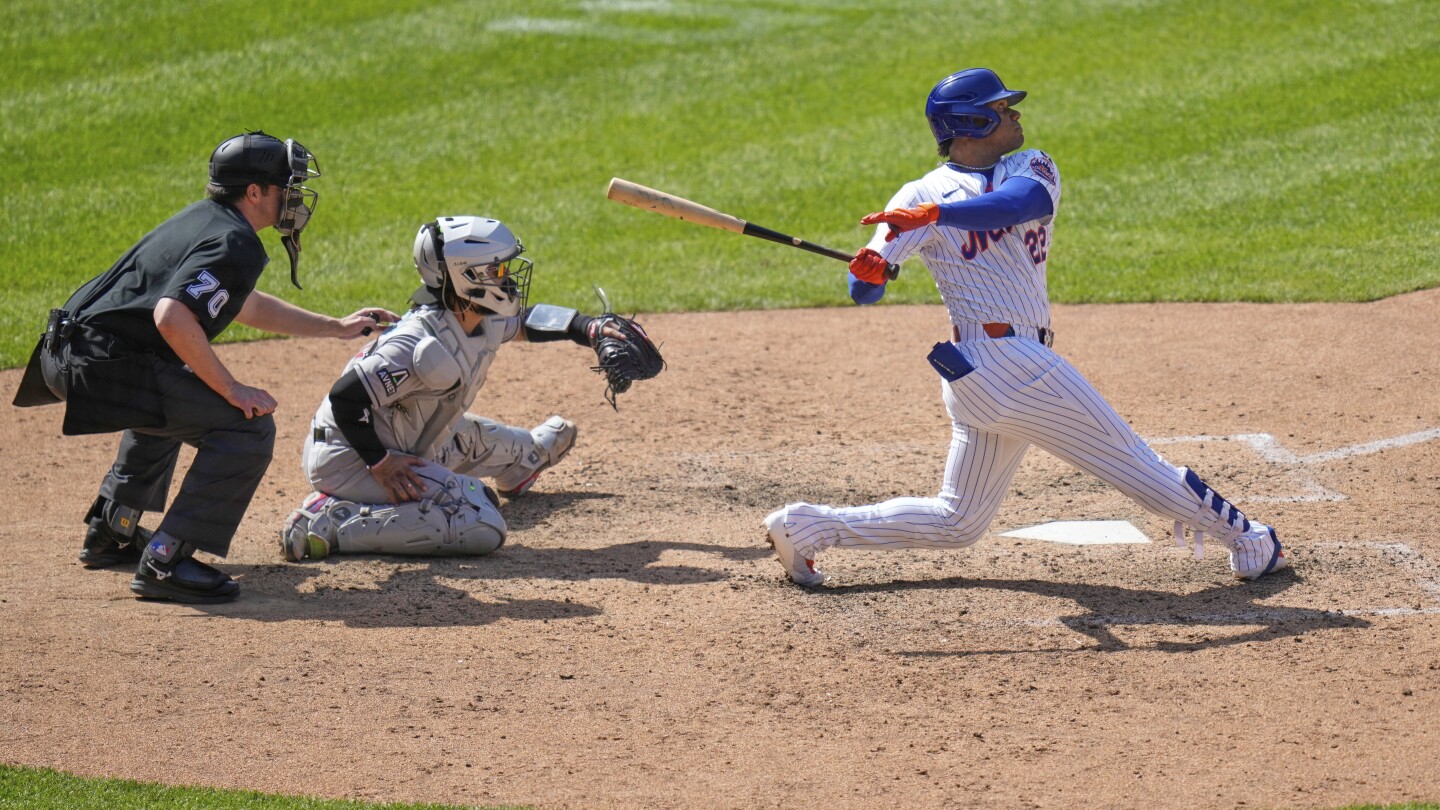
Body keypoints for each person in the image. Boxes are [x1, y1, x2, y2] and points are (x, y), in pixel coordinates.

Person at [762, 68, 1288, 587]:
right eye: (999, 109)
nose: (1013, 113)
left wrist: (934, 217)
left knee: (958, 522)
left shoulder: (1027, 166)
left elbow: (1017, 205)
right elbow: (865, 291)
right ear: (969, 122)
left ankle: (806, 527)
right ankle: (1249, 540)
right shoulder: (917, 196)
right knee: (1134, 462)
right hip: (1003, 364)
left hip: (986, 375)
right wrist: (869, 272)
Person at [11, 131, 400, 604]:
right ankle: (166, 561)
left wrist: (336, 326)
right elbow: (172, 316)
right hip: (101, 365)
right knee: (245, 428)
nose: (295, 197)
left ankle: (113, 529)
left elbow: (243, 304)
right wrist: (233, 389)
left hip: (68, 353)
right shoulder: (234, 240)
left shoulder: (207, 220)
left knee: (173, 395)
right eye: (286, 187)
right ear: (255, 192)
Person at [280, 215, 658, 560]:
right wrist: (380, 464)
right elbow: (346, 398)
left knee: (495, 445)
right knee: (481, 524)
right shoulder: (416, 344)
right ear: (467, 277)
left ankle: (522, 462)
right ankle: (329, 519)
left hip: (409, 439)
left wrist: (587, 328)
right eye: (498, 268)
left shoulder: (475, 315)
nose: (508, 277)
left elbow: (525, 322)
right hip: (352, 457)